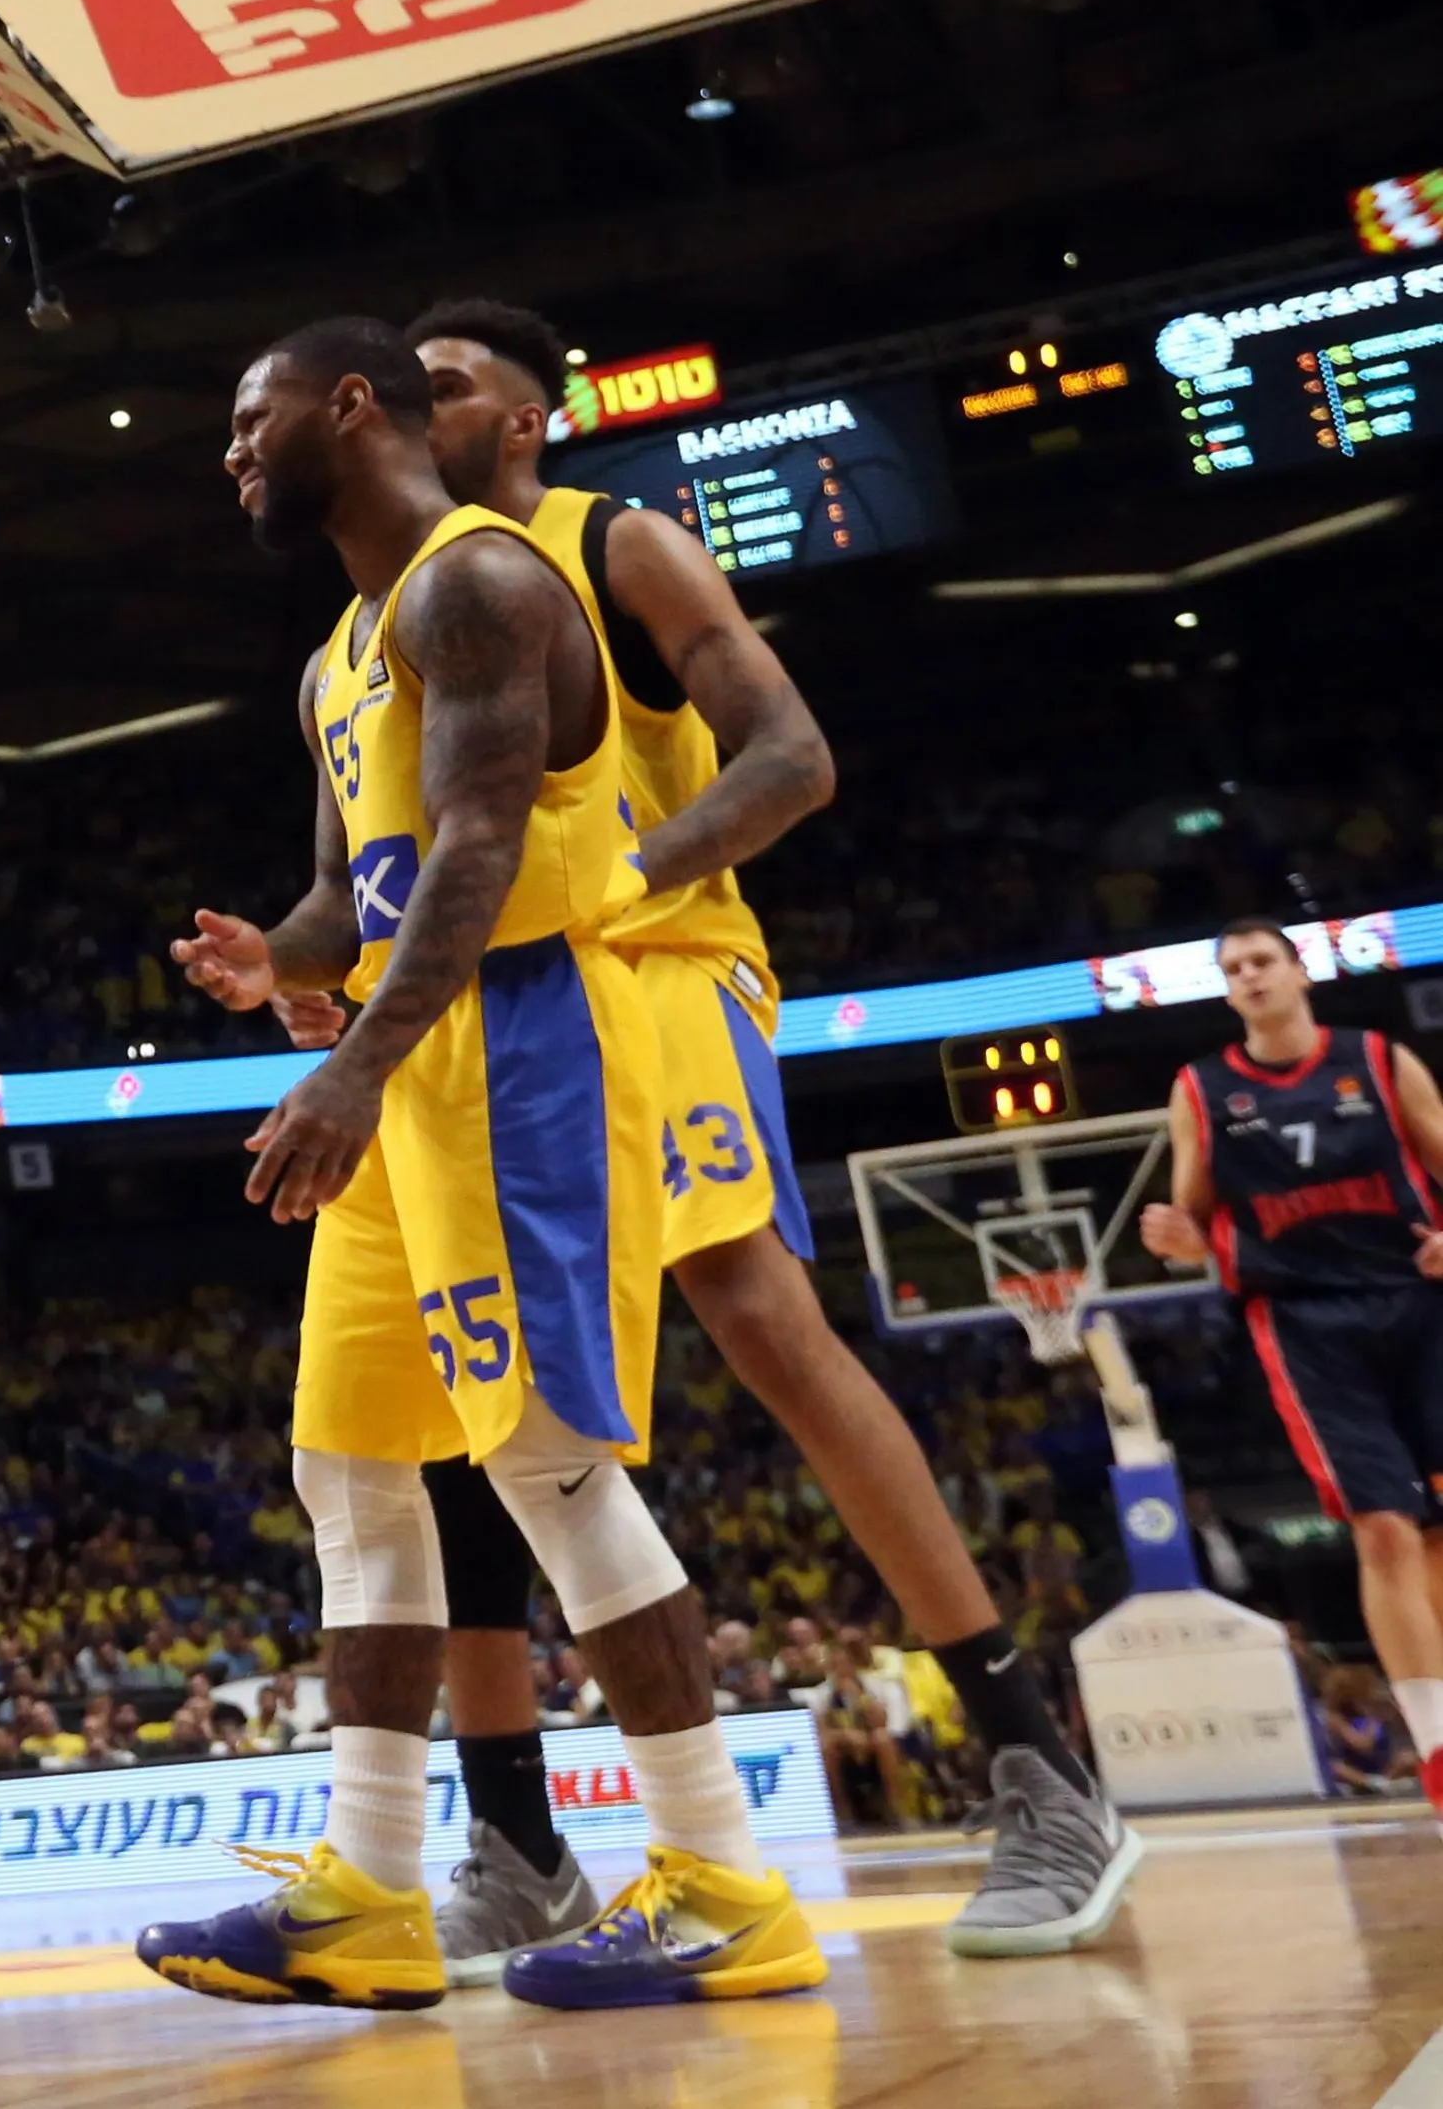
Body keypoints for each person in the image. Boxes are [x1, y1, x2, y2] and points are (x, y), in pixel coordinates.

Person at [396, 300, 1138, 1962]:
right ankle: (517, 1834)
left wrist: (631, 875)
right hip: (496, 1011)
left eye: (444, 386)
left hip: (662, 968)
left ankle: (1040, 1764)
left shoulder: (622, 542)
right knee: (463, 1390)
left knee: (756, 1313)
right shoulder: (403, 606)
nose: (409, 409)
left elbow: (793, 755)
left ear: (522, 420)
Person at [150, 317, 817, 2013]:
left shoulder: (479, 584)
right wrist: (269, 956)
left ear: (348, 403)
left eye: (252, 412)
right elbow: (355, 889)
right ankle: (367, 1891)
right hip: (408, 1056)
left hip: (517, 1046)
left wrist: (353, 1064)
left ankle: (725, 1881)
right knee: (353, 1468)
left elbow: (478, 847)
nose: (231, 450)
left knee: (545, 1461)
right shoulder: (339, 650)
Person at [1137, 916, 1443, 1814]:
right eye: (1232, 968)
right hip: (1304, 1323)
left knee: (1433, 1536)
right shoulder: (1201, 1088)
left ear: (1300, 970)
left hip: (1419, 1303)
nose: (1248, 975)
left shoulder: (1379, 1061)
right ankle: (1433, 1749)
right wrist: (1176, 1239)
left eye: (1262, 959)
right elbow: (1192, 1228)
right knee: (1382, 1526)